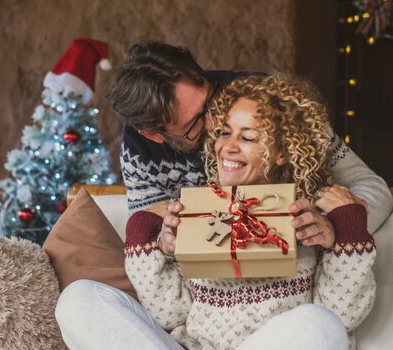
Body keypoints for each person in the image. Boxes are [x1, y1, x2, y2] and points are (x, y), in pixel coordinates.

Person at [56, 74, 376, 350]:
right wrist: (150, 241)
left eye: (247, 136)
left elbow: (342, 317)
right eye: (224, 132)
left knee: (321, 324)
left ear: (282, 152)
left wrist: (344, 234)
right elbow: (171, 317)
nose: (228, 146)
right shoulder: (196, 211)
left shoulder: (310, 215)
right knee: (78, 299)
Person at [106, 41, 393, 249]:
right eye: (194, 123)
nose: (215, 122)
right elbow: (144, 233)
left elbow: (370, 186)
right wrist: (164, 240)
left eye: (211, 100)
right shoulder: (139, 151)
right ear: (153, 135)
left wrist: (334, 228)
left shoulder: (268, 102)